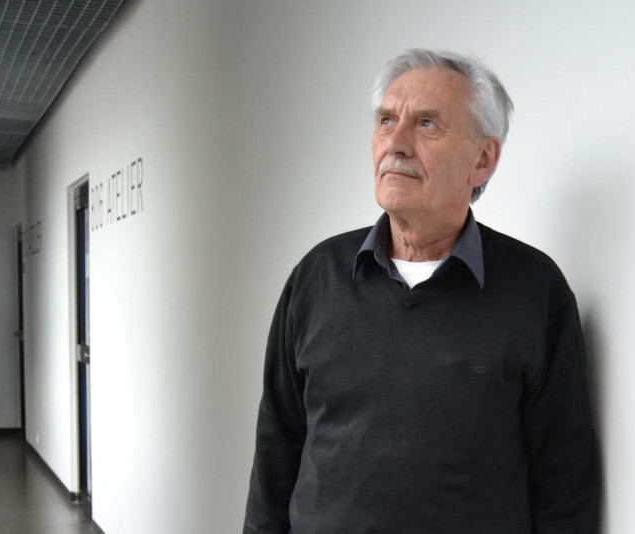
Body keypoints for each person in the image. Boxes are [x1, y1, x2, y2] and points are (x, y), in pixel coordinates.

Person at [243, 49, 599, 534]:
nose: (396, 143)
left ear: (482, 159)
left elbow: (565, 483)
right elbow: (275, 456)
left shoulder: (536, 291)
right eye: (386, 121)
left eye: (426, 124)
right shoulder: (316, 277)